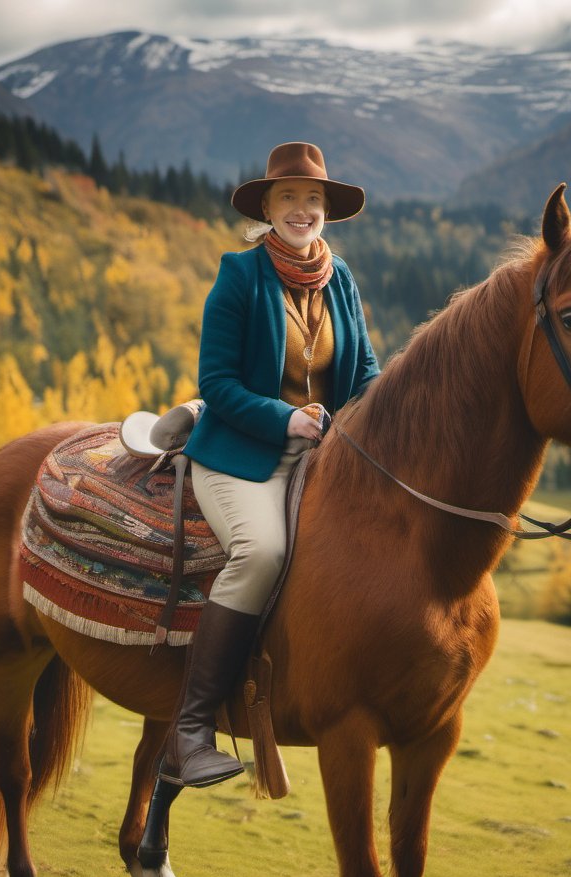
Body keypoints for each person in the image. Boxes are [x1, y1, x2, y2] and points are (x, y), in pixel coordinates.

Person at [160, 141, 380, 788]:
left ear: (327, 211)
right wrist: (286, 418)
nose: (303, 209)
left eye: (313, 199)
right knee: (261, 553)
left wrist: (371, 413)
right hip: (240, 453)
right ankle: (190, 730)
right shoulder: (239, 275)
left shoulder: (340, 278)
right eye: (289, 197)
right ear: (267, 206)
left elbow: (363, 370)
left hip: (325, 456)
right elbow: (218, 382)